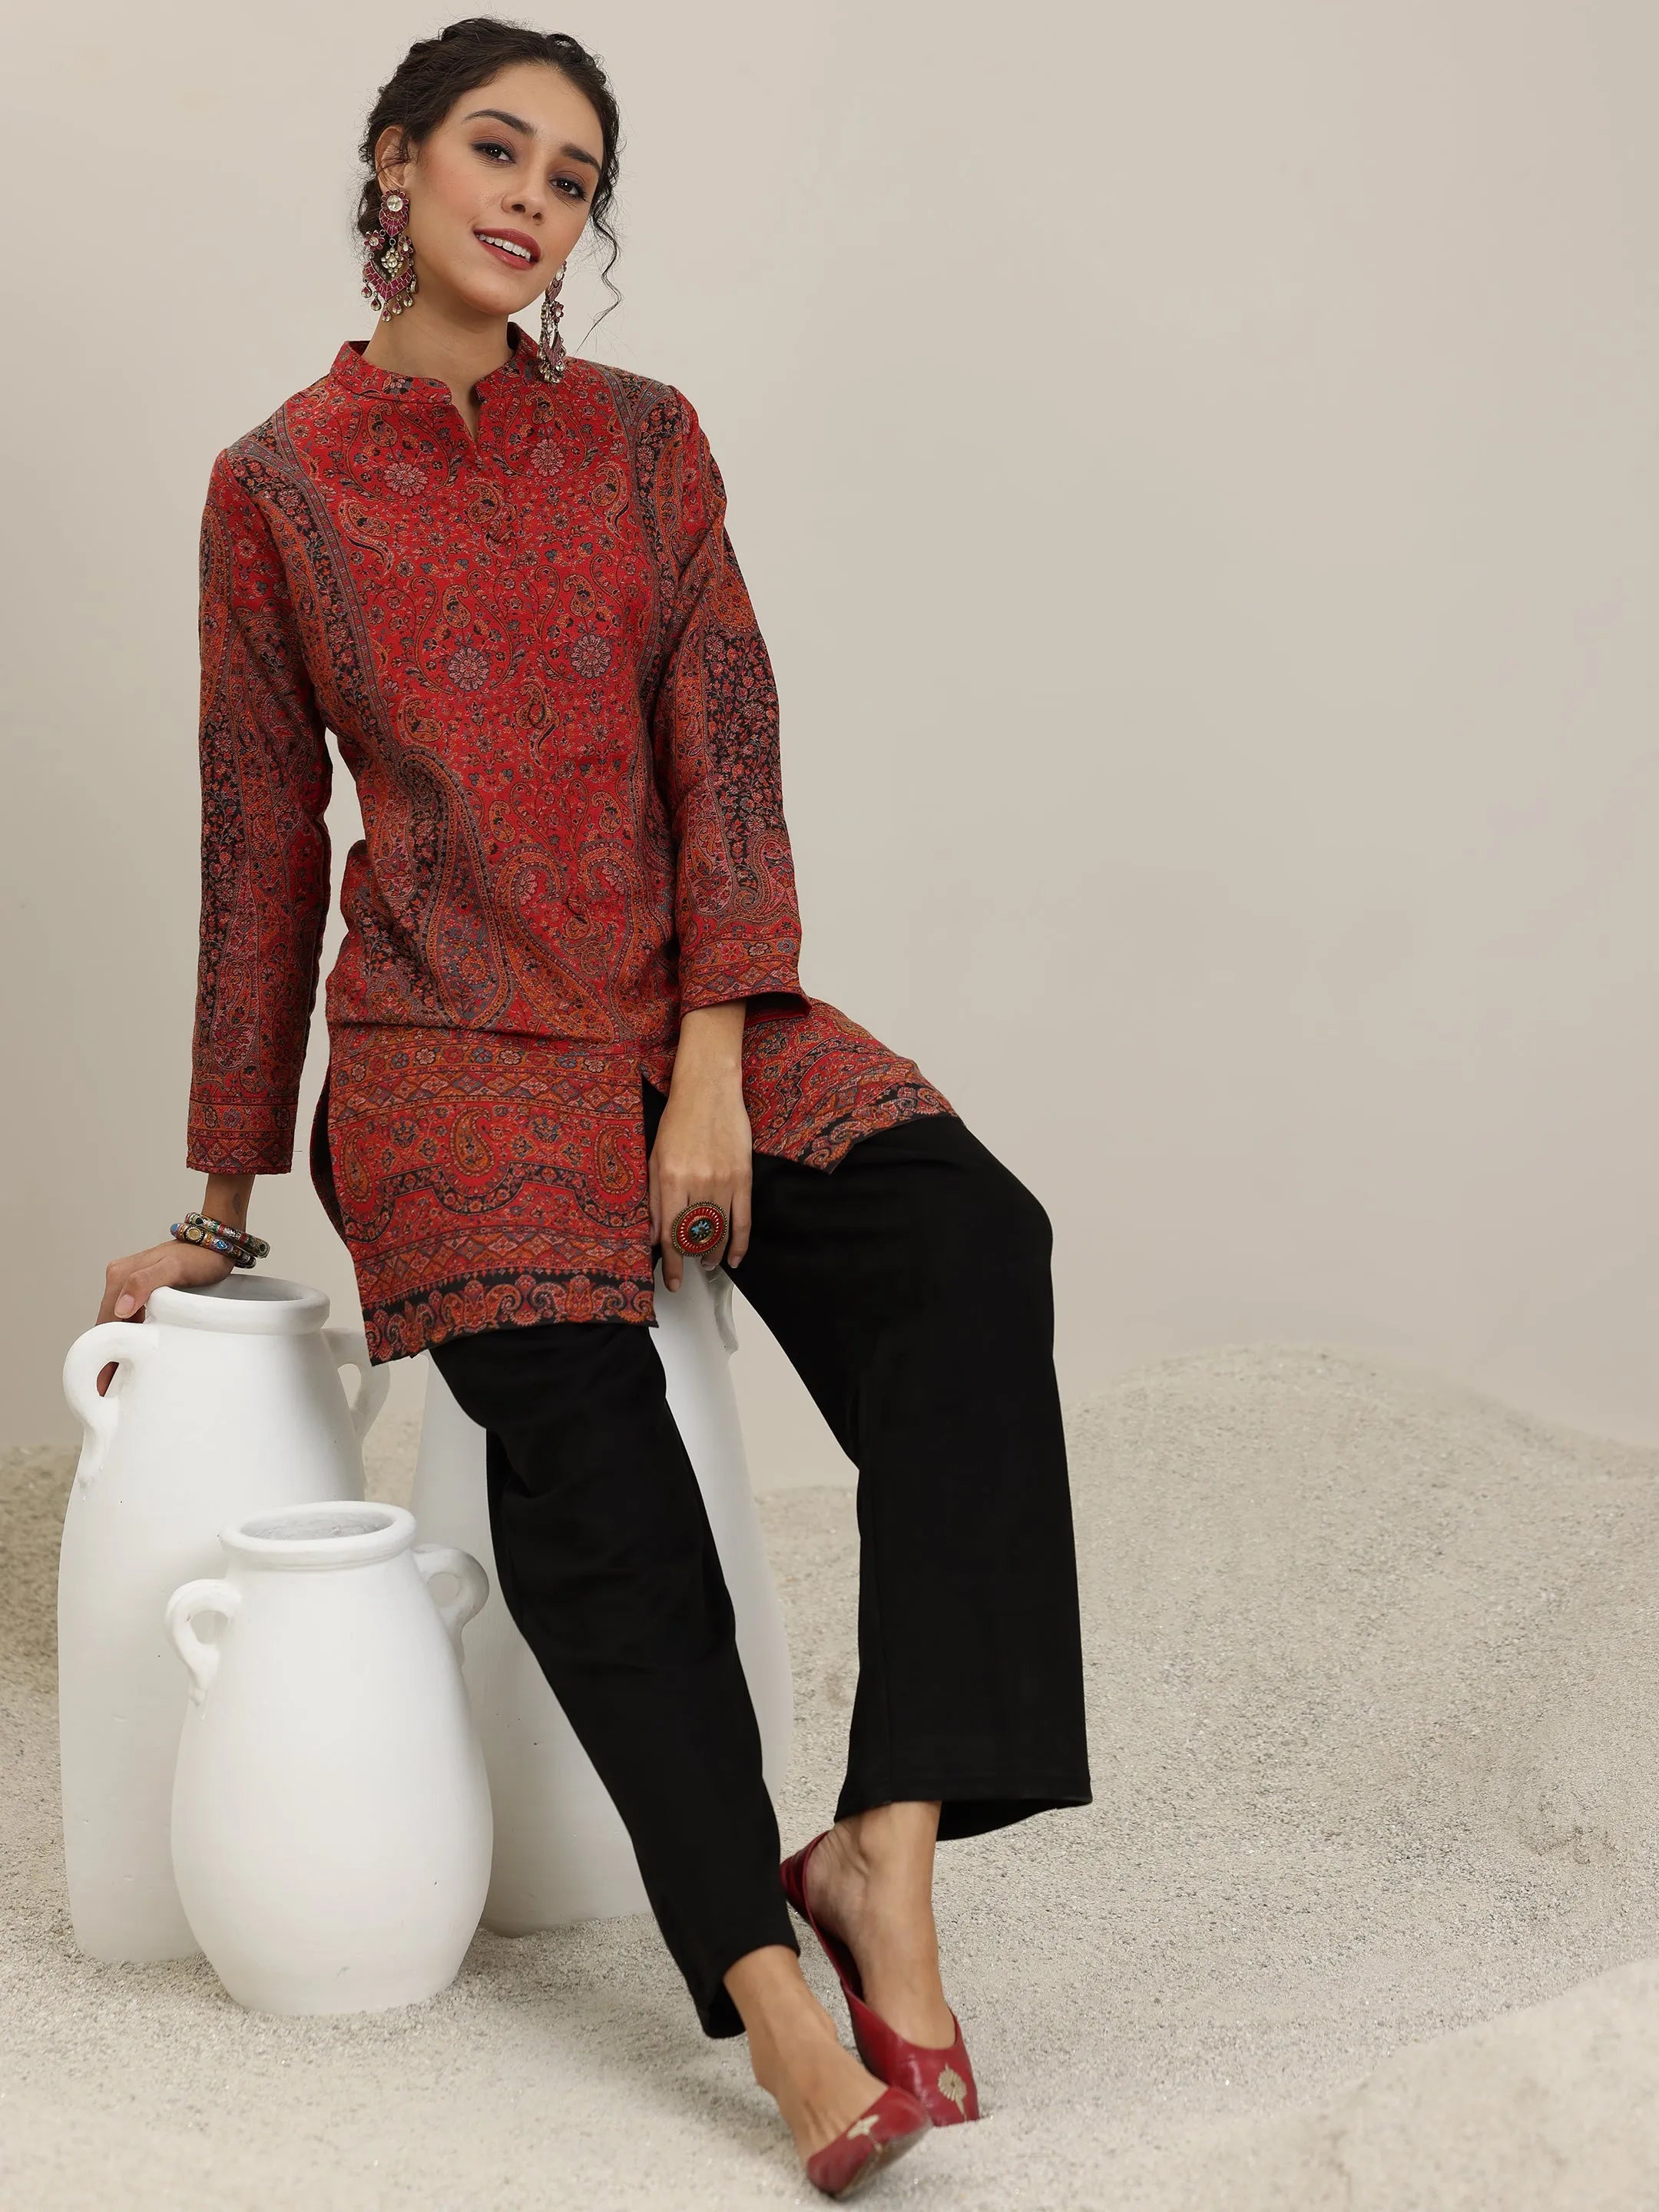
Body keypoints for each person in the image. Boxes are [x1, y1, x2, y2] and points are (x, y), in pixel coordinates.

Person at [98, 20, 1091, 2197]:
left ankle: (888, 1849)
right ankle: (762, 1993)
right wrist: (222, 1196)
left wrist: (714, 1064)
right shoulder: (278, 487)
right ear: (395, 162)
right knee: (592, 1459)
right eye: (496, 148)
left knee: (967, 1240)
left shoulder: (645, 440)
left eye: (573, 176)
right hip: (447, 1056)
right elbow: (261, 842)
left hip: (680, 1010)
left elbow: (725, 744)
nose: (533, 201)